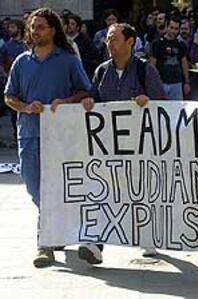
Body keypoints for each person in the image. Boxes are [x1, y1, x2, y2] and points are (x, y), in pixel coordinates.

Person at [3, 8, 91, 268]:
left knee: (55, 189)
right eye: (33, 26)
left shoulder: (68, 60)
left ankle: (45, 242)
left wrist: (65, 101)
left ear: (52, 30)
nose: (35, 31)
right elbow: (9, 96)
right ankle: (55, 227)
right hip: (29, 134)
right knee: (34, 187)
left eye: (40, 26)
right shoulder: (21, 62)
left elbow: (86, 90)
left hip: (60, 138)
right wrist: (25, 107)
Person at [79, 23, 166, 263]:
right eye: (107, 39)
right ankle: (95, 244)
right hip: (108, 147)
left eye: (114, 38)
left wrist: (147, 100)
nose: (110, 43)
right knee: (105, 193)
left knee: (141, 192)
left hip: (140, 146)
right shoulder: (101, 71)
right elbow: (93, 97)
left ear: (130, 42)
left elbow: (163, 105)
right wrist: (88, 101)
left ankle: (147, 237)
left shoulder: (144, 70)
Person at [150, 16, 190, 101]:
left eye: (176, 28)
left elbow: (184, 62)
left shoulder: (181, 44)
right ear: (166, 27)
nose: (173, 31)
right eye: (171, 27)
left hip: (177, 83)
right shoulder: (157, 43)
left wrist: (187, 82)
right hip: (161, 82)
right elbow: (152, 64)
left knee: (177, 110)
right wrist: (152, 81)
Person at [66, 14, 100, 79]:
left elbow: (94, 55)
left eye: (72, 24)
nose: (69, 26)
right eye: (68, 23)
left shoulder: (85, 40)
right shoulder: (63, 39)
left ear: (78, 27)